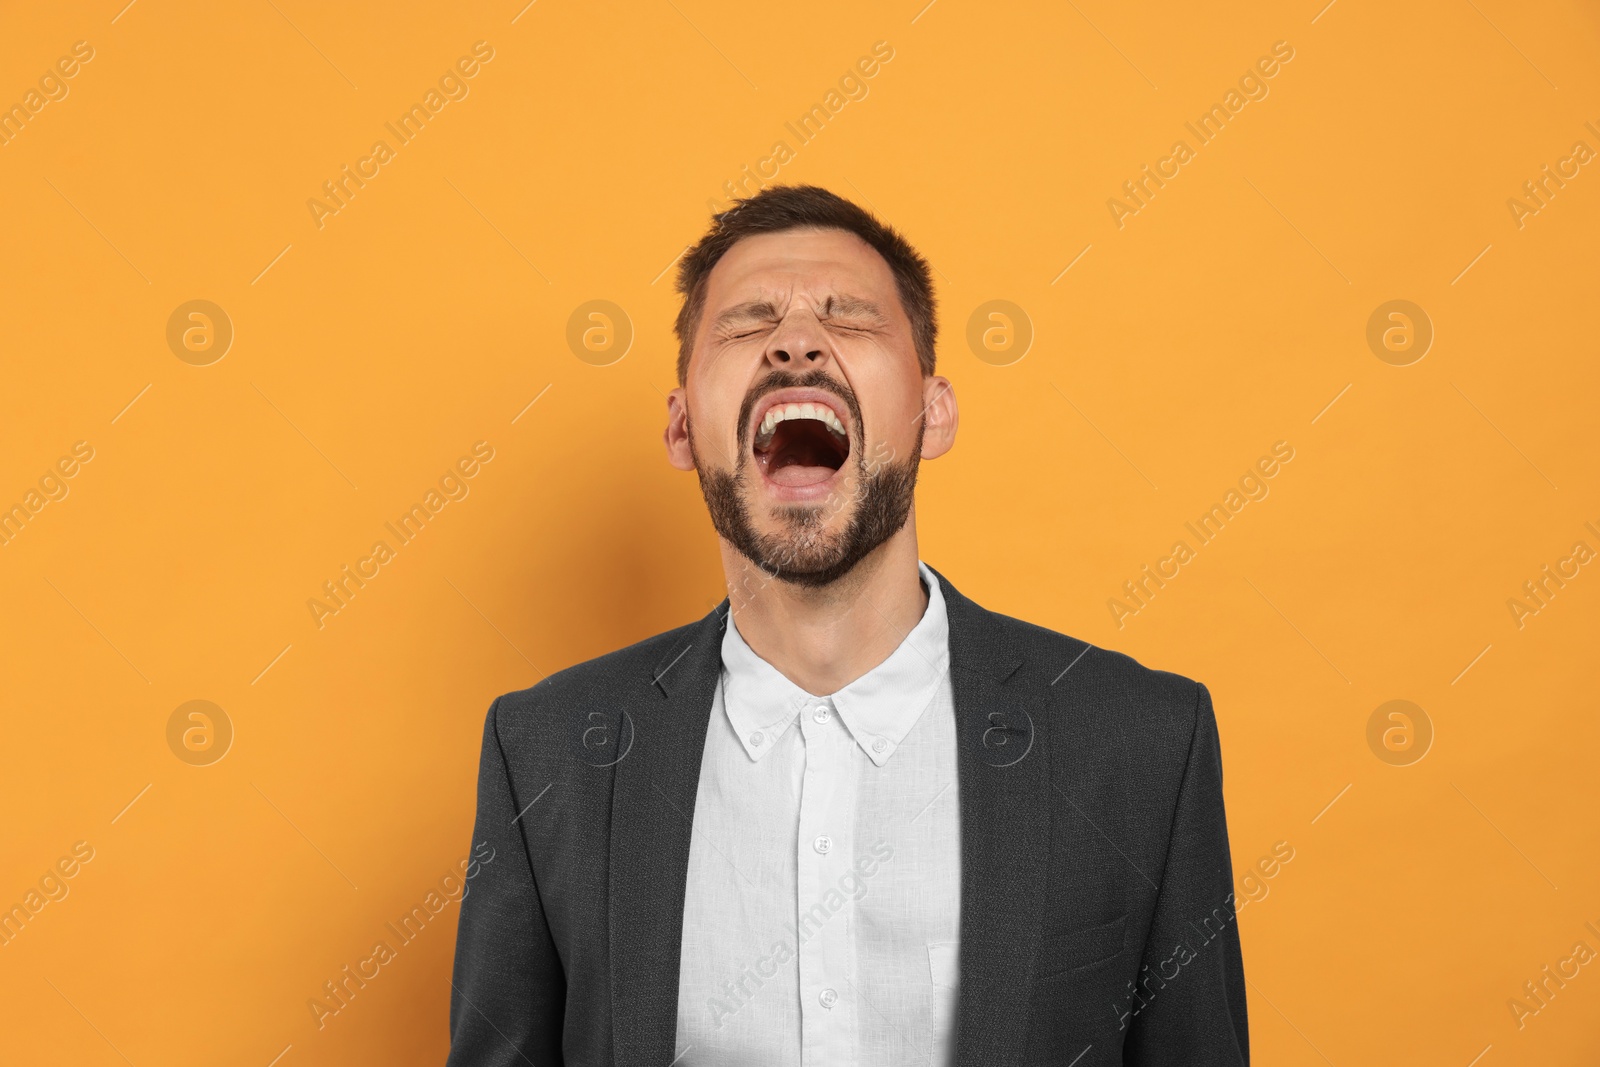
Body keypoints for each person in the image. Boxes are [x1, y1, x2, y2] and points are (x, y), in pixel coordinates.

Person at [445, 184, 1248, 1066]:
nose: (796, 341)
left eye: (851, 318)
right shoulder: (546, 754)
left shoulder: (1139, 744)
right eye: (749, 323)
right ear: (682, 425)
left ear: (932, 412)